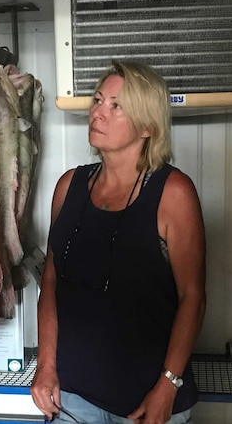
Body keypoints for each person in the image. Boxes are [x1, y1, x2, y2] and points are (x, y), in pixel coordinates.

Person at [30, 60, 207, 424]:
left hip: (145, 401)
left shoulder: (173, 193)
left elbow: (194, 296)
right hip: (71, 396)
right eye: (97, 100)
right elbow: (50, 280)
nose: (98, 112)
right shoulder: (69, 186)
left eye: (116, 106)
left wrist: (168, 386)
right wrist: (45, 366)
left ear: (146, 126)